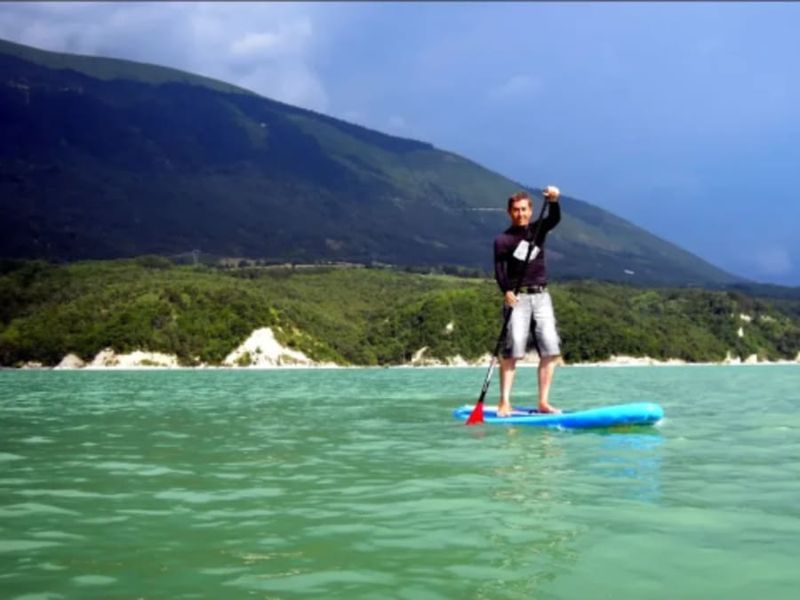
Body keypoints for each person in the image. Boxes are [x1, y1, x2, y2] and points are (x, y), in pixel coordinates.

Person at [493, 186, 562, 417]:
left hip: (542, 295)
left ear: (530, 211)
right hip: (518, 298)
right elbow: (500, 270)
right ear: (509, 212)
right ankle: (504, 402)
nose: (520, 214)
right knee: (513, 351)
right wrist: (506, 291)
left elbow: (554, 218)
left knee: (550, 350)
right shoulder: (502, 240)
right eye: (515, 210)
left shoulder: (538, 230)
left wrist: (553, 199)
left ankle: (543, 402)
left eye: (524, 210)